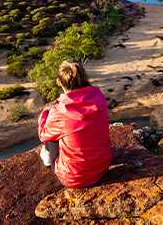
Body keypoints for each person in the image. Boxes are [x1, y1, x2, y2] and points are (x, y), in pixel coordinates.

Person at [38, 59, 111, 188]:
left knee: (52, 129)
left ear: (59, 82)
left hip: (74, 178)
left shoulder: (59, 112)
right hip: (102, 168)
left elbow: (44, 134)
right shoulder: (99, 97)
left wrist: (45, 114)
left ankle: (49, 158)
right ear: (83, 77)